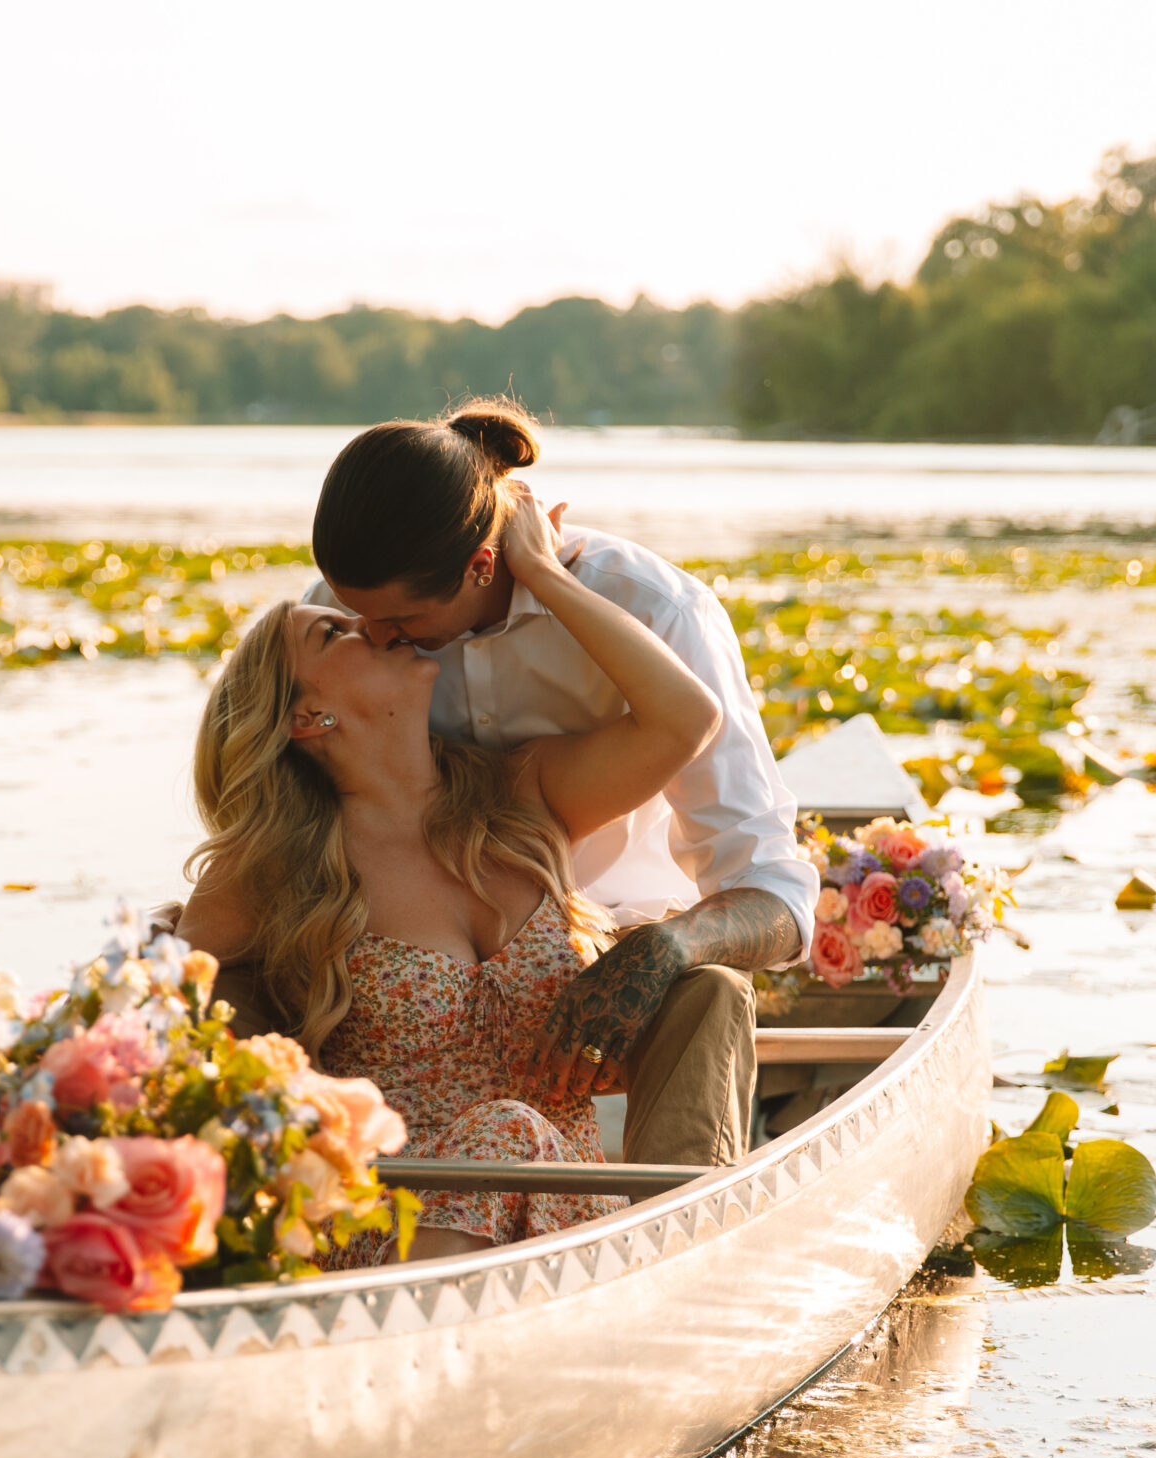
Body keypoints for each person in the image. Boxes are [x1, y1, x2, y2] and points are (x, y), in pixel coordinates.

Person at [177, 492, 720, 1263]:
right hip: (391, 1226)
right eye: (336, 632)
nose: (375, 628)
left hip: (568, 1217)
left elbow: (685, 718)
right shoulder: (280, 861)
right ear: (308, 718)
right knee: (504, 1127)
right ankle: (408, 1345)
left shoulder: (521, 797)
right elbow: (158, 1000)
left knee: (516, 1129)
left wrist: (540, 574)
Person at [305, 398, 815, 1170]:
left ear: (482, 564)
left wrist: (666, 946)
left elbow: (774, 889)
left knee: (711, 990)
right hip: (413, 948)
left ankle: (670, 1227)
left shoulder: (659, 609)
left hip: (610, 945)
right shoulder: (353, 624)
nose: (372, 640)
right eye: (351, 615)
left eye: (403, 623)